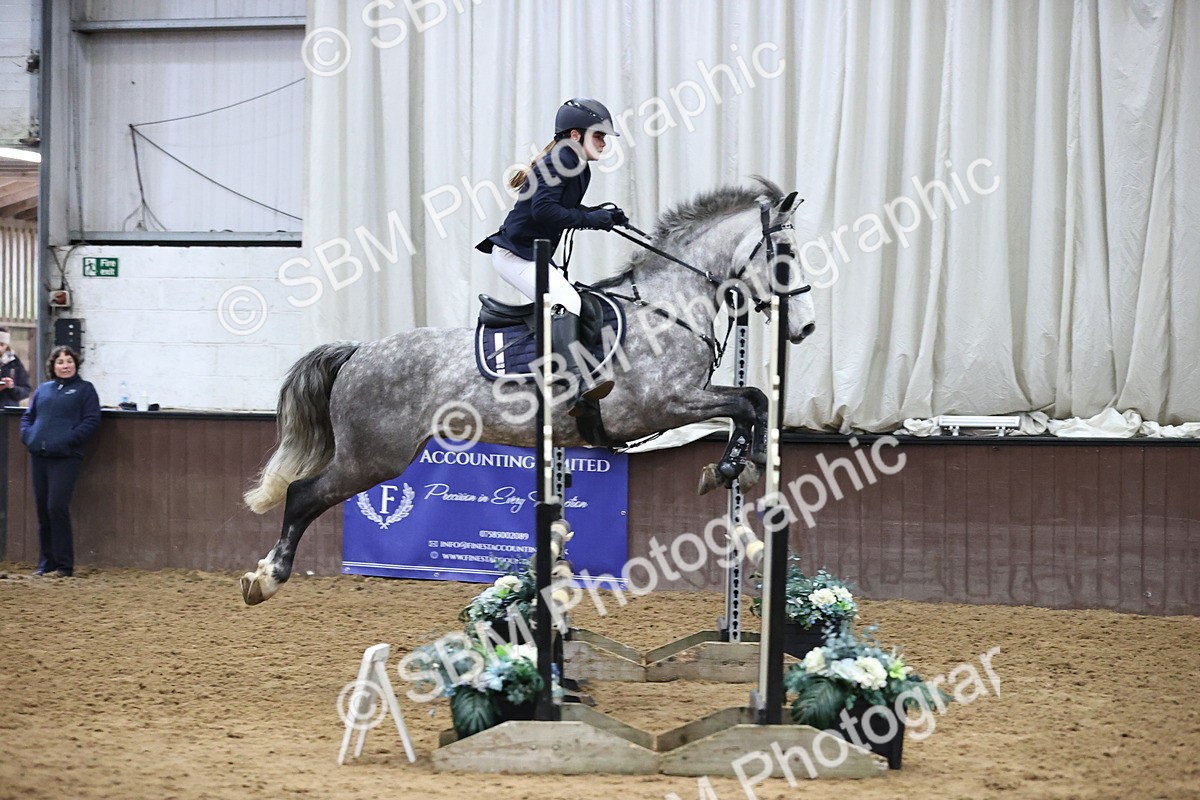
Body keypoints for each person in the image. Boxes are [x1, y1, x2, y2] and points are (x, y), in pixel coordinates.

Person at [477, 97, 628, 416]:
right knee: (567, 302)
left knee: (578, 300)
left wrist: (602, 215)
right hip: (515, 255)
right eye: (598, 135)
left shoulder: (577, 166)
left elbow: (563, 210)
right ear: (575, 135)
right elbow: (544, 211)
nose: (603, 143)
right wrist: (591, 221)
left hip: (534, 255)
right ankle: (572, 385)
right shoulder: (560, 160)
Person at [19, 346, 101, 577]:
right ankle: (47, 563)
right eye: (60, 362)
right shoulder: (43, 390)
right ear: (53, 366)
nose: (65, 365)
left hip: (66, 457)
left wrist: (69, 439)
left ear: (75, 364)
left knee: (56, 507)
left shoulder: (85, 390)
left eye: (69, 361)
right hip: (40, 456)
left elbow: (92, 420)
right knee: (43, 510)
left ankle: (64, 565)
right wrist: (28, 436)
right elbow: (28, 416)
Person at [0, 327, 32, 406]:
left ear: (6, 345)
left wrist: (12, 387)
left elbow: (26, 391)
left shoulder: (14, 363)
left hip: (8, 412)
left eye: (1, 344)